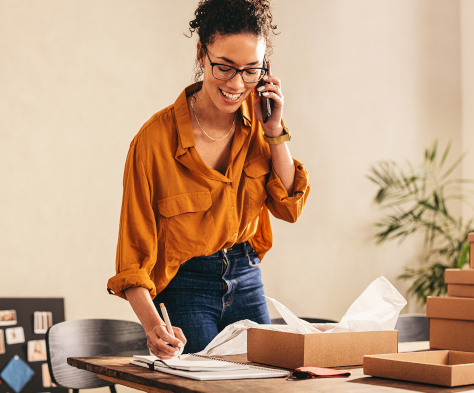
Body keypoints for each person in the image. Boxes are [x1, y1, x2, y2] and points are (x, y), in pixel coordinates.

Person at [107, 0, 310, 359]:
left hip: (246, 276)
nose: (236, 84)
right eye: (225, 67)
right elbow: (132, 258)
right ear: (201, 53)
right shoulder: (153, 142)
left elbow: (290, 207)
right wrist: (154, 326)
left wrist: (275, 130)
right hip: (186, 285)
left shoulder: (261, 125)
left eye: (252, 70)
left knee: (266, 383)